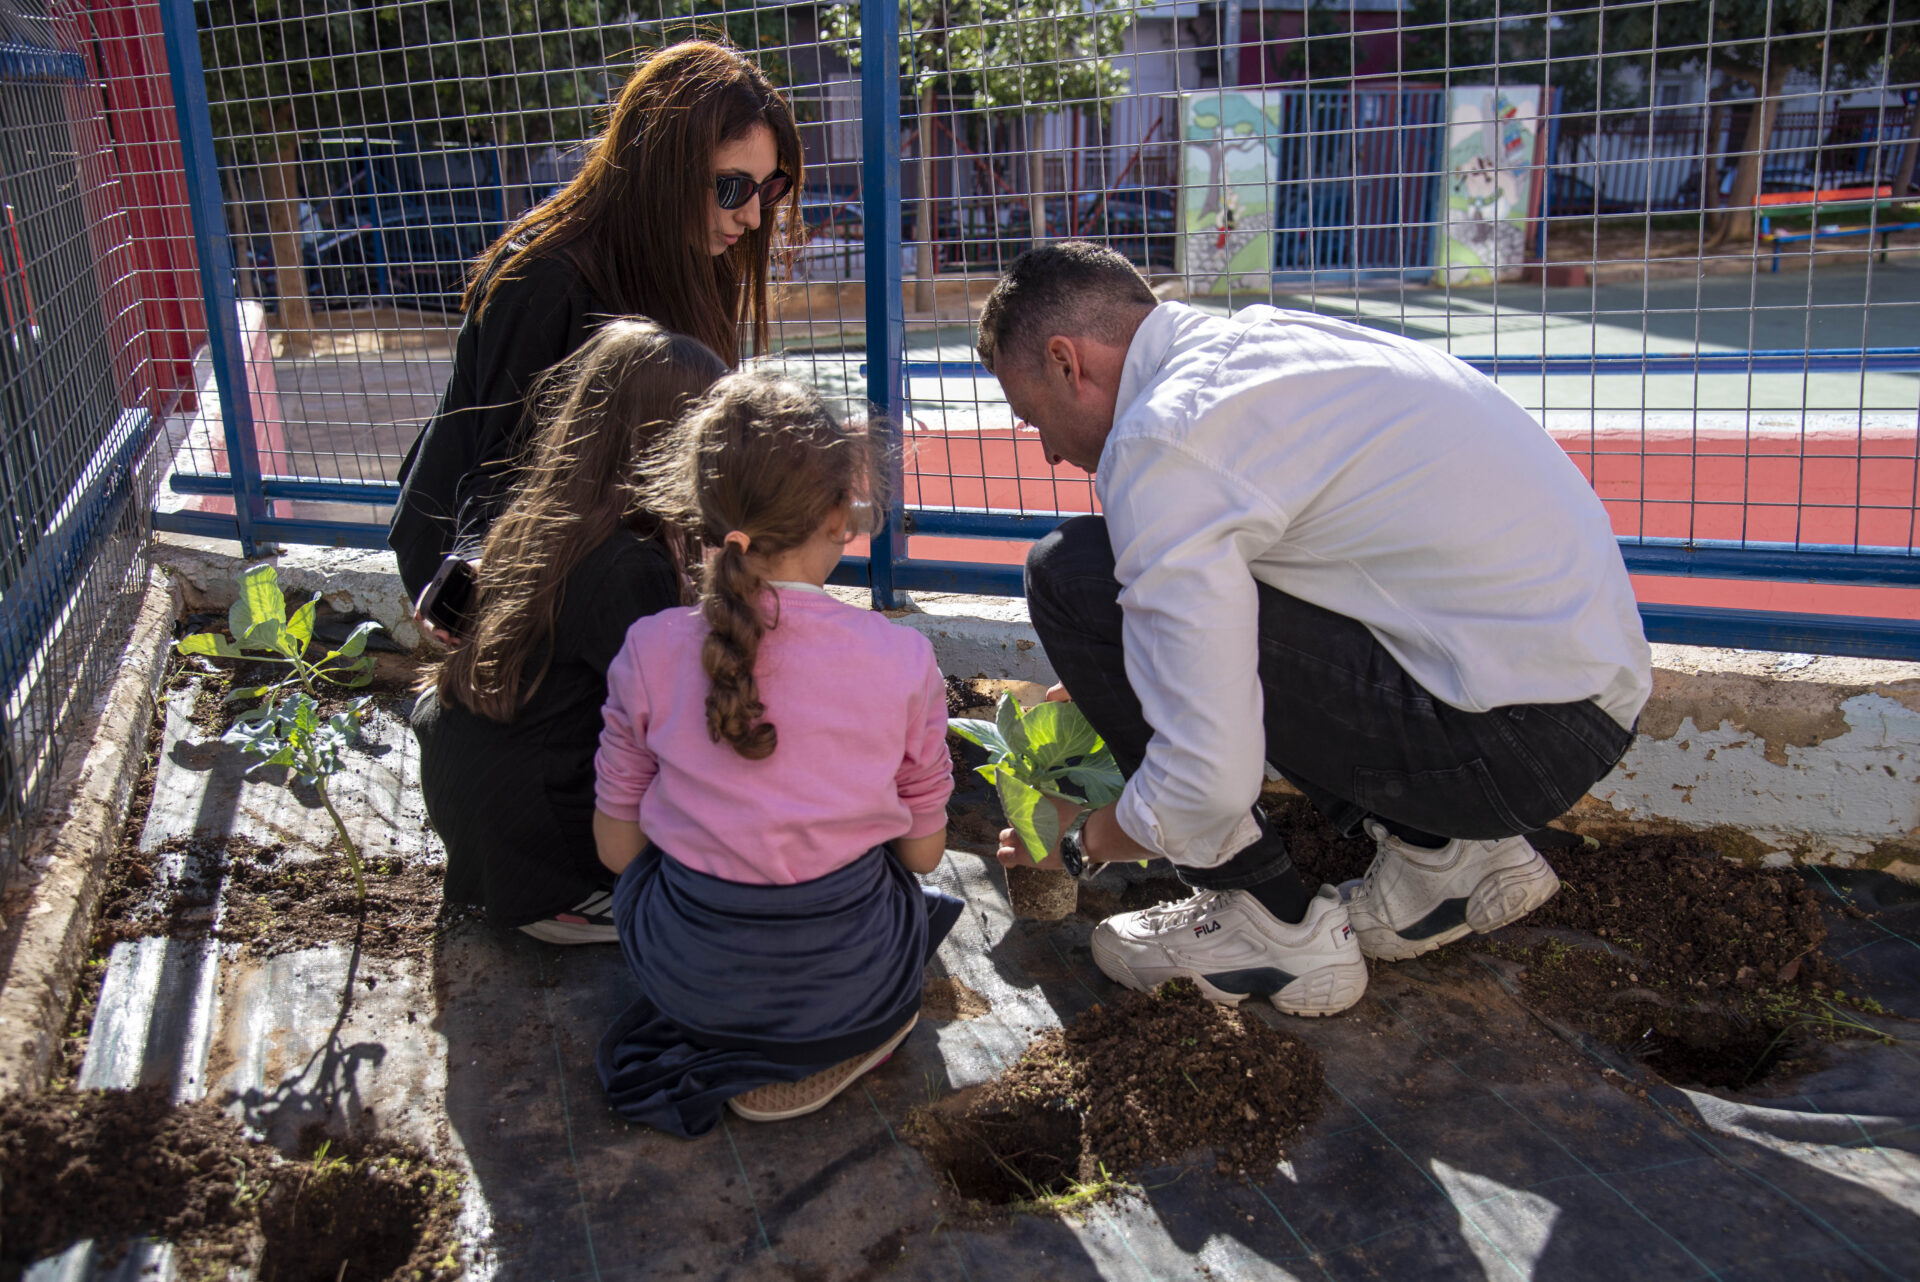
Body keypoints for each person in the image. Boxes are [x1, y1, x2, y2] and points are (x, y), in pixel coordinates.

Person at [977, 242, 1651, 1018]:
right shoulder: (1264, 347)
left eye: (1034, 420)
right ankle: (1450, 859)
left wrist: (1077, 839)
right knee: (1159, 604)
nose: (1053, 453)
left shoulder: (1161, 438)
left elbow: (1209, 780)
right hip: (1580, 709)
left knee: (1067, 573)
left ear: (1068, 362)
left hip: (1500, 745)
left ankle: (1265, 927)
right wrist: (1141, 660)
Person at [591, 371, 959, 1137]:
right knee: (890, 877)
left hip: (688, 984)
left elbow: (618, 850)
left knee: (656, 868)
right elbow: (923, 859)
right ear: (839, 514)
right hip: (851, 988)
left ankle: (744, 1030)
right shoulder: (903, 659)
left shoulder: (647, 648)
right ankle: (843, 1037)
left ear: (704, 513)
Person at [388, 38, 802, 612]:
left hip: (595, 553)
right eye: (732, 186)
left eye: (769, 188)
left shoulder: (698, 256)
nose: (753, 215)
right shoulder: (543, 278)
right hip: (487, 572)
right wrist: (476, 602)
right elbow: (493, 470)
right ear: (661, 167)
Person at [412, 320, 729, 943]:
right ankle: (574, 903)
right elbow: (676, 726)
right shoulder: (630, 565)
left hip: (484, 805)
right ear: (670, 443)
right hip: (543, 856)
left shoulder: (551, 516)